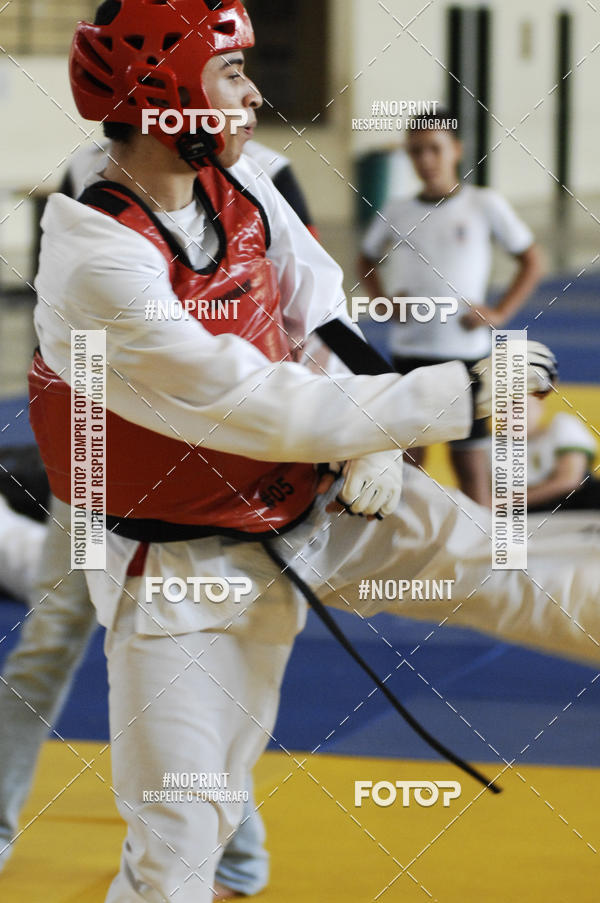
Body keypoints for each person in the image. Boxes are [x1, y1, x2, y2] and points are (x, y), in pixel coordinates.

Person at [26, 2, 598, 901]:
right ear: (161, 90)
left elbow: (320, 307)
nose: (253, 92)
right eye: (229, 73)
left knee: (540, 582)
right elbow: (249, 401)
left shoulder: (243, 182)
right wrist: (450, 396)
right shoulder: (98, 261)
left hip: (321, 503)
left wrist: (378, 438)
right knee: (178, 838)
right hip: (184, 575)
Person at [0, 135, 320, 898]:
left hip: (221, 478)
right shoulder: (87, 176)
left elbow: (306, 322)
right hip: (102, 466)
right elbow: (59, 327)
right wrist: (70, 446)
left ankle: (235, 858)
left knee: (194, 673)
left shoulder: (266, 176)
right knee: (48, 639)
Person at [358, 110, 543, 505]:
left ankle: (481, 549)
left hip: (465, 357)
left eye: (434, 149)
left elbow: (533, 259)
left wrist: (500, 313)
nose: (426, 160)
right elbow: (365, 258)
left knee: (470, 462)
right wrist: (383, 302)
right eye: (416, 151)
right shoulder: (397, 210)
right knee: (409, 460)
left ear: (455, 150)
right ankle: (409, 541)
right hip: (411, 351)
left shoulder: (483, 204)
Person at [526, 394, 599, 512]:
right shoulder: (490, 447)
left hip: (578, 503)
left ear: (540, 405)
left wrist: (507, 501)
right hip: (535, 511)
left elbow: (570, 481)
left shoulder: (561, 425)